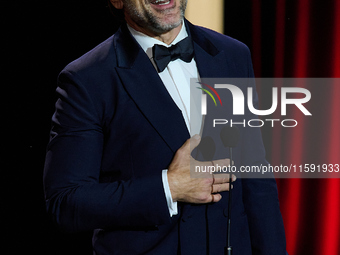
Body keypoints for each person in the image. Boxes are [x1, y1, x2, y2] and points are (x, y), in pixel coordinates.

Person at [44, 0, 287, 254]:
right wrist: (168, 188)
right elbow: (66, 202)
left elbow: (257, 180)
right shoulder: (87, 79)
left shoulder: (233, 55)